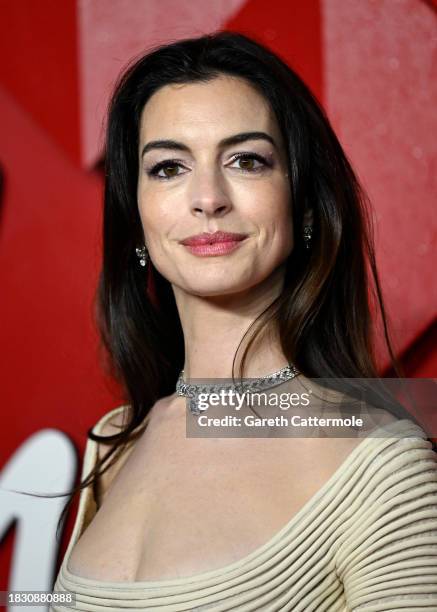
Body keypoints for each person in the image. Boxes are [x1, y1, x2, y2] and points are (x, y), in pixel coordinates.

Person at [51, 31, 437, 610]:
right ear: (135, 219)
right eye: (168, 167)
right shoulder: (112, 443)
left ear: (303, 205)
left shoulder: (383, 465)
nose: (208, 197)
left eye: (246, 160)